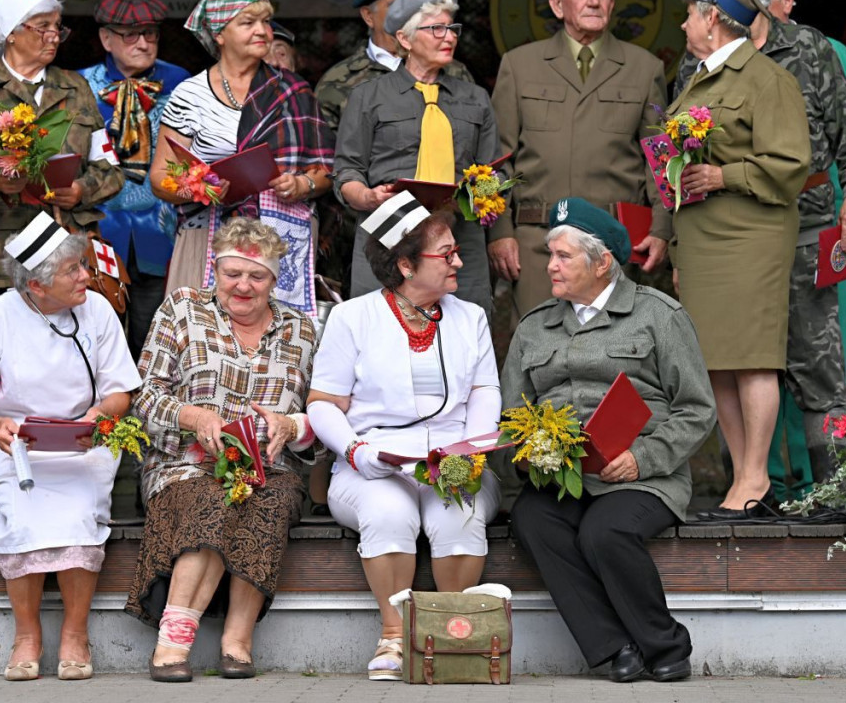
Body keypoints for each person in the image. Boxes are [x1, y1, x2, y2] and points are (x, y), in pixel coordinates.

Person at [502, 198, 715, 684]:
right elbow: (511, 415)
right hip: (563, 477)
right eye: (549, 255)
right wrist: (526, 456)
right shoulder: (535, 326)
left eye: (563, 256)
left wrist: (642, 458)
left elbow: (697, 408)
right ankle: (614, 647)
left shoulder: (658, 315)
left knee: (605, 531)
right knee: (532, 519)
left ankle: (665, 646)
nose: (551, 266)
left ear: (602, 262)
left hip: (643, 476)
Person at [307, 194, 501, 681]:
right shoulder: (352, 317)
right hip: (372, 461)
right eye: (446, 254)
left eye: (457, 251)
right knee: (387, 512)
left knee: (461, 514)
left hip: (455, 457)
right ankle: (394, 638)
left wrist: (471, 457)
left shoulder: (470, 317)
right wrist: (356, 451)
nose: (458, 261)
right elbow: (323, 404)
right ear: (406, 265)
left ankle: (447, 634)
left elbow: (484, 393)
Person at [126, 217, 318, 682]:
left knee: (268, 500)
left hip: (268, 467)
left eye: (257, 276)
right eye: (233, 273)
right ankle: (174, 639)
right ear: (215, 270)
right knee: (212, 497)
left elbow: (324, 414)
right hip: (184, 462)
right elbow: (144, 394)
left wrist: (291, 425)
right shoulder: (183, 310)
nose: (243, 286)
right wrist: (197, 417)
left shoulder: (302, 330)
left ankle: (237, 640)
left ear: (275, 280)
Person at [0, 211, 142, 681]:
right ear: (36, 287)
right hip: (17, 447)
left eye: (83, 265)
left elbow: (120, 388)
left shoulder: (97, 309)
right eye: (72, 271)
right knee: (23, 519)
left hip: (86, 444)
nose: (86, 276)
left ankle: (76, 634)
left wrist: (95, 419)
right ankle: (27, 636)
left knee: (78, 518)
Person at [669, 0, 810, 519]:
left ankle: (754, 479)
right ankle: (741, 478)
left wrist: (723, 174)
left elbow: (792, 163)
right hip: (702, 239)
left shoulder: (767, 80)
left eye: (688, 16)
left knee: (752, 359)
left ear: (715, 19)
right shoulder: (699, 78)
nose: (682, 26)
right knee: (718, 360)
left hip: (749, 237)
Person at [744, 0, 846, 496]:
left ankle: (820, 491)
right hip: (749, 230)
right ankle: (766, 484)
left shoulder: (830, 51)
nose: (744, 4)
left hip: (823, 228)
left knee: (819, 359)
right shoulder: (726, 56)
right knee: (754, 358)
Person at [488, 0, 669, 319]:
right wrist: (501, 230)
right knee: (542, 355)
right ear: (557, 5)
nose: (594, 1)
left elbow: (661, 158)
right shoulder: (520, 66)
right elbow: (496, 159)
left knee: (613, 354)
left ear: (613, 3)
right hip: (539, 242)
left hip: (613, 242)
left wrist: (662, 226)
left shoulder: (644, 67)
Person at [0, 0, 124, 342]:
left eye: (58, 28)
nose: (53, 36)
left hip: (68, 260)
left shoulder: (76, 88)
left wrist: (81, 189)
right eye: (41, 27)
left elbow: (110, 169)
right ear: (10, 33)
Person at [148, 0, 333, 316]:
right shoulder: (189, 95)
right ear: (219, 34)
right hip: (207, 238)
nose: (263, 31)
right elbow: (160, 177)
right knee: (203, 342)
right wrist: (199, 188)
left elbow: (326, 172)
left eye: (265, 21)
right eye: (248, 23)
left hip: (279, 240)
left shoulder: (294, 90)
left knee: (274, 349)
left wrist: (301, 185)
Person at [334, 0, 498, 315]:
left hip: (458, 236)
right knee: (382, 335)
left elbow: (495, 171)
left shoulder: (476, 98)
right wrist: (368, 197)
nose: (448, 37)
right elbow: (347, 171)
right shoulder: (368, 96)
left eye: (452, 28)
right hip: (387, 234)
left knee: (461, 339)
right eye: (436, 28)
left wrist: (476, 195)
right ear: (406, 39)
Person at [77, 0, 191, 361]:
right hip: (98, 231)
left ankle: (145, 417)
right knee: (96, 339)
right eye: (131, 35)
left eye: (151, 34)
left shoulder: (182, 83)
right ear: (106, 38)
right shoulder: (79, 85)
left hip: (162, 232)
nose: (143, 43)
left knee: (154, 340)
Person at [314, 0, 473, 133]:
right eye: (396, 5)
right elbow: (326, 153)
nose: (408, 13)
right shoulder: (337, 81)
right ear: (368, 16)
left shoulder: (453, 71)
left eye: (416, 7)